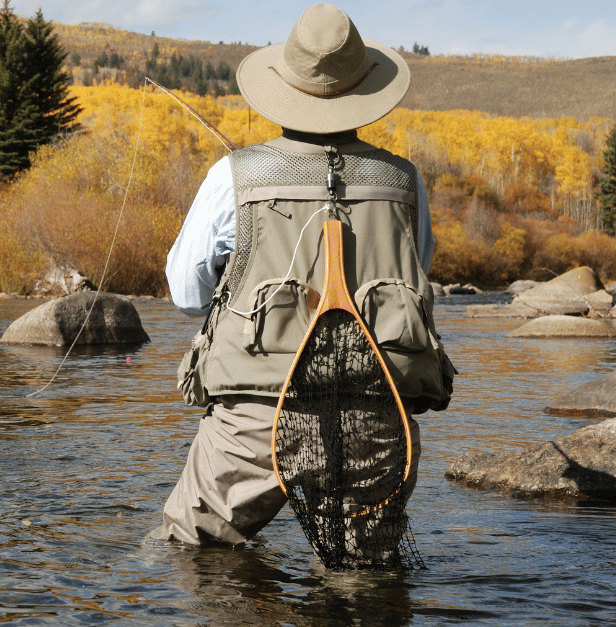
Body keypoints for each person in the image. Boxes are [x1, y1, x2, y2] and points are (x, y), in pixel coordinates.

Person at [151, 3, 455, 547]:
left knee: (196, 556)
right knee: (366, 584)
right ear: (365, 93)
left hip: (254, 417)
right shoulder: (404, 180)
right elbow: (417, 273)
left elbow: (186, 292)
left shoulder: (233, 176)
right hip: (377, 411)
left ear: (283, 89)